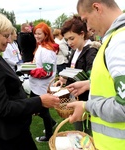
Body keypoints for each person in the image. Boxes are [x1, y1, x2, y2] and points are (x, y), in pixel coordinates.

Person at [0, 12, 60, 150]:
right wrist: (39, 101)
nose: (9, 40)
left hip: (13, 130)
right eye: (5, 35)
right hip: (9, 135)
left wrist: (29, 106)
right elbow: (1, 108)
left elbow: (8, 95)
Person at [66, 0, 125, 150]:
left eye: (86, 20)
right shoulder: (114, 39)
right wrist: (89, 84)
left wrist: (87, 105)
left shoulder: (120, 41)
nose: (88, 28)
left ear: (97, 8)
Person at [54, 15, 100, 135]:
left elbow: (93, 78)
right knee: (79, 130)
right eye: (67, 40)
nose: (69, 43)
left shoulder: (91, 51)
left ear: (82, 34)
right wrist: (63, 79)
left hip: (86, 101)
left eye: (71, 38)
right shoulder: (75, 51)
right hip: (75, 97)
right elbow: (72, 70)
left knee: (87, 133)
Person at [29, 22, 59, 142]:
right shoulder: (41, 46)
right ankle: (51, 123)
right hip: (37, 85)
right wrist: (30, 66)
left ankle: (49, 135)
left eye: (39, 34)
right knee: (37, 108)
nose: (36, 36)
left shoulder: (47, 50)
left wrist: (30, 71)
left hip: (42, 86)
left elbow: (47, 72)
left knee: (42, 110)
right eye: (35, 33)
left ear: (46, 34)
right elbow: (39, 64)